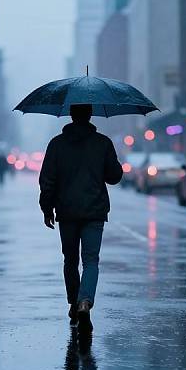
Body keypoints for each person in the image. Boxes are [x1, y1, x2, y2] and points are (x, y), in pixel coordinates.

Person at [39, 104, 123, 334]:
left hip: (66, 212)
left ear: (70, 115)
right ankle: (85, 301)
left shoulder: (57, 144)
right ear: (90, 115)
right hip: (94, 211)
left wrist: (47, 208)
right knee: (91, 260)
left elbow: (47, 180)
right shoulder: (102, 143)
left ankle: (73, 304)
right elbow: (115, 176)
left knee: (70, 260)